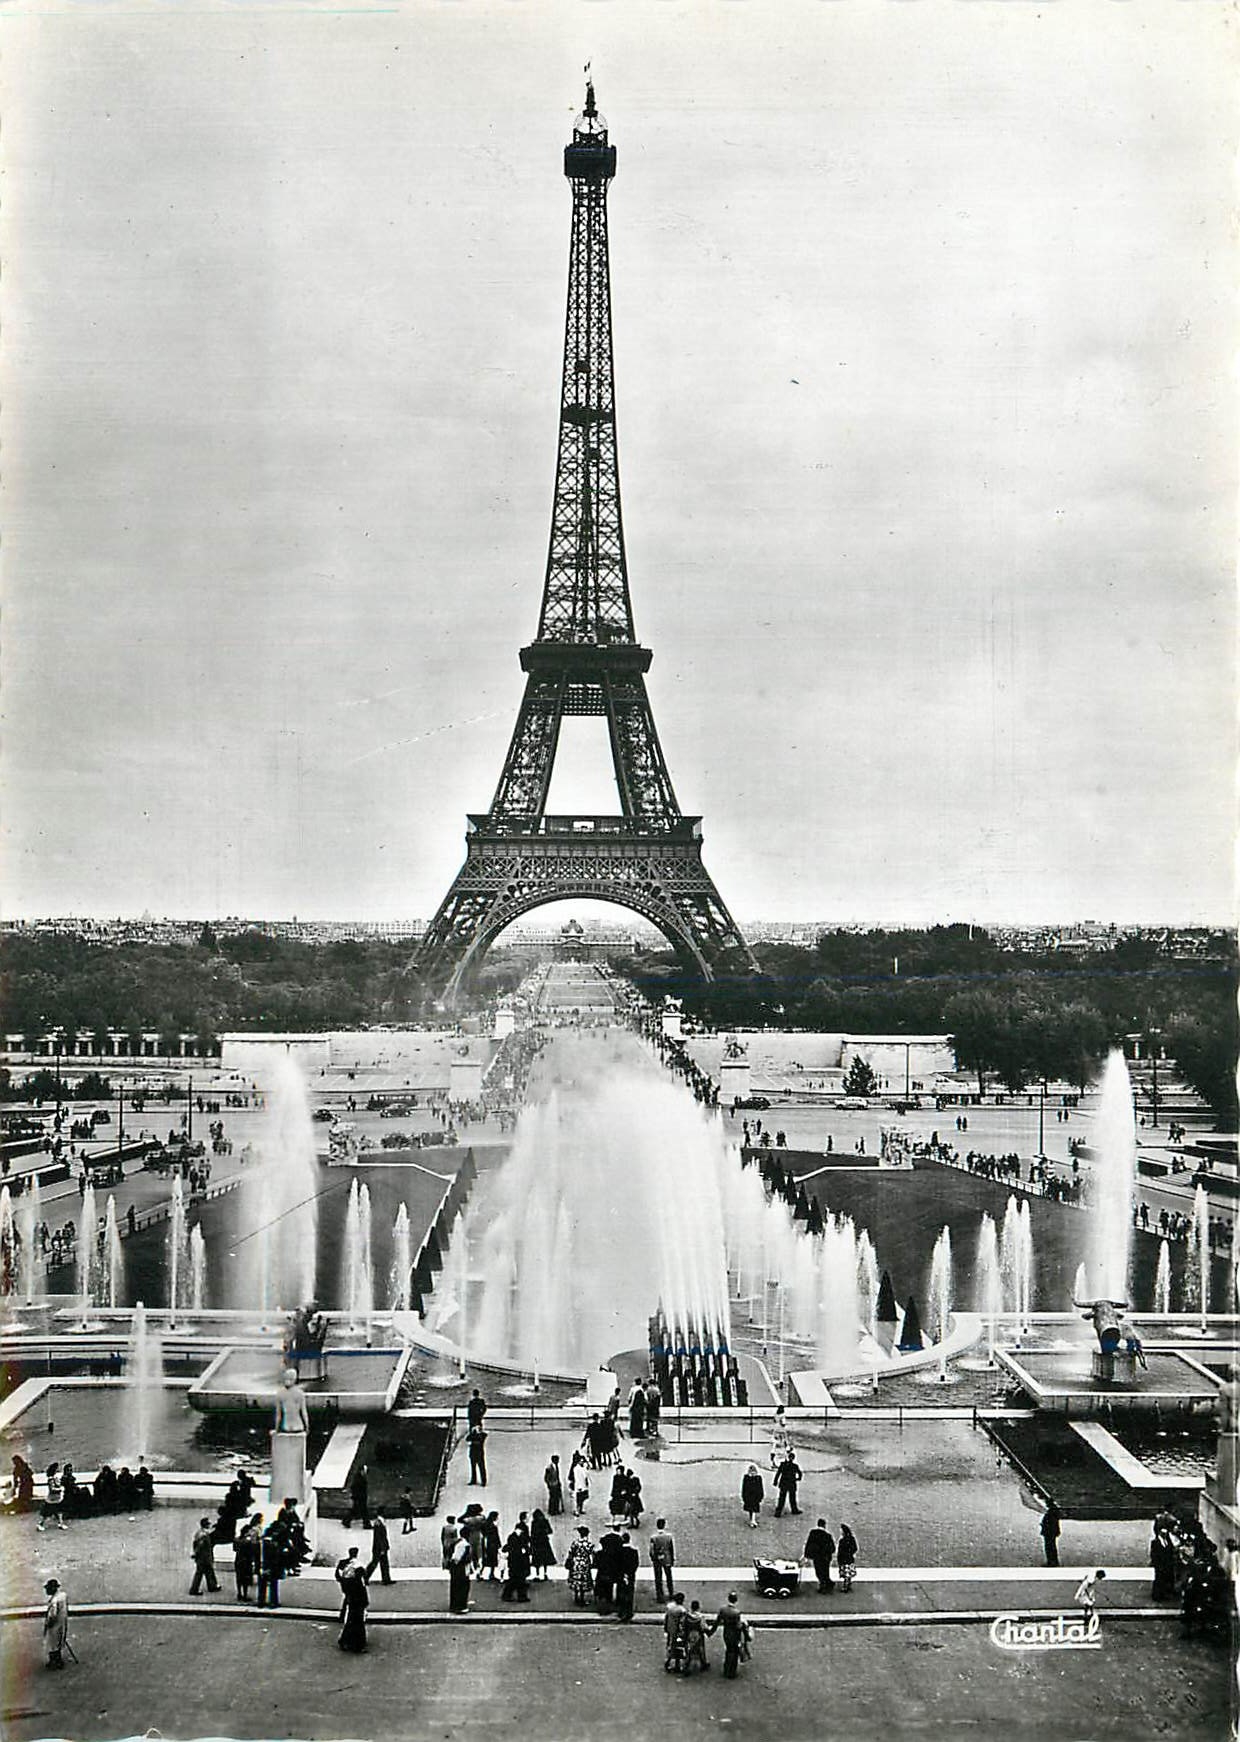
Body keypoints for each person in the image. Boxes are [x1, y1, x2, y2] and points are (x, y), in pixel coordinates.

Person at [710, 1590, 748, 1679]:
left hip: (726, 1633)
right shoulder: (737, 1612)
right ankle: (732, 1671)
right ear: (736, 1600)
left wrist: (711, 1631)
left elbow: (717, 1622)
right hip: (735, 1634)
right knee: (734, 1652)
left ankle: (726, 1668)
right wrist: (744, 1626)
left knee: (728, 1650)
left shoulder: (723, 1609)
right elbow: (738, 1626)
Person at [338, 1557, 370, 1651]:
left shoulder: (350, 1581)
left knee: (351, 1623)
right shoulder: (358, 1583)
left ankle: (345, 1641)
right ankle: (358, 1645)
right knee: (358, 1625)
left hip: (354, 1605)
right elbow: (362, 1595)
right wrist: (365, 1603)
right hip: (358, 1605)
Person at [594, 1523, 623, 1613]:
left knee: (605, 1587)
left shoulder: (601, 1553)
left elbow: (595, 1563)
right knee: (616, 1584)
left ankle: (605, 1604)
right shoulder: (619, 1541)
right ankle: (616, 1601)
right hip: (614, 1568)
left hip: (603, 1571)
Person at [502, 1518, 532, 1603]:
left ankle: (511, 1595)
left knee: (516, 1580)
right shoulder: (512, 1537)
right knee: (517, 1580)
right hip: (515, 1562)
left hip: (519, 1562)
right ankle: (520, 1596)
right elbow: (513, 1549)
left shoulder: (516, 1536)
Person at [42, 1578, 69, 1670]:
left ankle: (54, 1662)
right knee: (59, 1641)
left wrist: (48, 1623)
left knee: (52, 1643)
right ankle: (59, 1660)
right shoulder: (62, 1596)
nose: (46, 1590)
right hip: (62, 1622)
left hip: (54, 1625)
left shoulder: (54, 1601)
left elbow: (52, 1615)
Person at [190, 1515, 221, 1594]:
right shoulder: (203, 1535)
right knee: (200, 1573)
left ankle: (212, 1586)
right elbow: (200, 1546)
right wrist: (195, 1553)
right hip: (204, 1557)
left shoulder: (199, 1533)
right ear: (206, 1525)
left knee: (208, 1571)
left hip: (203, 1557)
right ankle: (194, 1589)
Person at [565, 1525, 594, 1607]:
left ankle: (576, 1597)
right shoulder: (588, 1544)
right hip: (584, 1563)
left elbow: (571, 1552)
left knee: (576, 1580)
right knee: (583, 1581)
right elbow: (591, 1553)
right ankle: (582, 1599)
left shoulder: (575, 1542)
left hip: (576, 1562)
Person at [803, 1518, 835, 1593]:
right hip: (826, 1557)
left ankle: (823, 1585)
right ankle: (827, 1583)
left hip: (817, 1557)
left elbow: (809, 1544)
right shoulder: (828, 1536)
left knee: (819, 1572)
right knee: (825, 1571)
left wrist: (807, 1555)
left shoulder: (813, 1533)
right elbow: (832, 1548)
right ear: (824, 1526)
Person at [234, 1515, 260, 1601]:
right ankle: (245, 1595)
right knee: (245, 1579)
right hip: (246, 1561)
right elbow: (252, 1551)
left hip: (238, 1560)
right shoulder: (248, 1542)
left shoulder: (237, 1539)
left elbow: (234, 1549)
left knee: (239, 1578)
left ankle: (239, 1593)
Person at [616, 1530, 641, 1621]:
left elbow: (616, 1564)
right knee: (630, 1593)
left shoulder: (618, 1552)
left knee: (621, 1592)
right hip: (630, 1575)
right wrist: (631, 1572)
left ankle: (621, 1611)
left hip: (621, 1575)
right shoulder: (633, 1552)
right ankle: (629, 1611)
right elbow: (636, 1564)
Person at [649, 1517, 676, 1602]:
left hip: (657, 1559)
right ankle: (671, 1593)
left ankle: (660, 1596)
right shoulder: (669, 1536)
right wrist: (672, 1559)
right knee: (669, 1576)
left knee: (658, 1578)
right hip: (667, 1558)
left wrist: (653, 1558)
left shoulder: (654, 1537)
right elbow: (671, 1549)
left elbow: (651, 1550)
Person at [257, 1522, 282, 1609]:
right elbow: (274, 1557)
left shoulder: (261, 1542)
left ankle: (261, 1602)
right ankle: (273, 1602)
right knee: (273, 1585)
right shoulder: (273, 1544)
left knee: (262, 1585)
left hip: (262, 1565)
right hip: (270, 1567)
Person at [663, 1591, 688, 1672]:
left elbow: (666, 1618)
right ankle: (675, 1663)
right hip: (677, 1632)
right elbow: (682, 1622)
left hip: (670, 1630)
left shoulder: (669, 1607)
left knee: (671, 1646)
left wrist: (666, 1628)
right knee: (678, 1647)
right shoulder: (682, 1610)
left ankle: (669, 1661)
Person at [448, 1531, 473, 1613]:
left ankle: (455, 1605)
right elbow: (457, 1558)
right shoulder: (464, 1545)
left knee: (456, 1588)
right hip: (461, 1570)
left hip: (458, 1569)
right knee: (462, 1588)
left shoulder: (460, 1543)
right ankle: (460, 1606)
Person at [38, 1463, 67, 1533]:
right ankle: (40, 1524)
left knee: (59, 1511)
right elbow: (52, 1489)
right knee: (46, 1513)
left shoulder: (55, 1478)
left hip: (57, 1498)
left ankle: (61, 1523)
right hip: (52, 1499)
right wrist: (60, 1489)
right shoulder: (51, 1479)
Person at [683, 1599, 710, 1673]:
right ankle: (703, 1663)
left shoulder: (687, 1615)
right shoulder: (700, 1617)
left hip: (689, 1634)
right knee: (700, 1649)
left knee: (689, 1650)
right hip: (698, 1635)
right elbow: (704, 1627)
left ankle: (686, 1665)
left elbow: (684, 1625)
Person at [774, 1449, 803, 1517]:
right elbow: (800, 1473)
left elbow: (778, 1473)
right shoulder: (795, 1466)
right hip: (791, 1484)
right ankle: (794, 1510)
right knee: (792, 1498)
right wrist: (798, 1479)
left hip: (783, 1483)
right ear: (793, 1459)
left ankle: (778, 1512)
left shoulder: (783, 1465)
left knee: (781, 1498)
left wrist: (775, 1481)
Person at [529, 1508, 556, 1580]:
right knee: (545, 1558)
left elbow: (532, 1533)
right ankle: (545, 1573)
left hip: (536, 1543)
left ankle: (537, 1575)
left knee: (537, 1559)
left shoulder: (533, 1522)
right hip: (544, 1542)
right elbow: (550, 1531)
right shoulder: (545, 1521)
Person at [367, 1512, 392, 1585]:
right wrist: (382, 1548)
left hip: (380, 1547)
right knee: (375, 1563)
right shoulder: (379, 1523)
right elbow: (379, 1538)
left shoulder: (379, 1522)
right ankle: (366, 1577)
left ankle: (386, 1579)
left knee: (384, 1563)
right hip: (379, 1548)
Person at [344, 1463, 370, 1531]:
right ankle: (366, 1524)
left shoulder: (359, 1477)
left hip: (360, 1497)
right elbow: (355, 1488)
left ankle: (346, 1521)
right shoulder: (359, 1479)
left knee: (356, 1511)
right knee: (362, 1511)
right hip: (360, 1498)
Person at [741, 1463, 764, 1529]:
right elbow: (744, 1487)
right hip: (749, 1496)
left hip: (754, 1496)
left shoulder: (755, 1478)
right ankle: (752, 1520)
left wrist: (760, 1496)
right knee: (751, 1509)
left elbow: (760, 1487)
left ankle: (752, 1520)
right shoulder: (750, 1478)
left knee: (753, 1509)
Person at [1040, 1501, 1062, 1568]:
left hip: (1049, 1533)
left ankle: (1052, 1562)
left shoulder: (1050, 1513)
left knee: (1049, 1547)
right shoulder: (1053, 1512)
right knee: (1051, 1547)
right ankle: (1053, 1561)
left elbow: (1048, 1523)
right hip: (1051, 1533)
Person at [837, 1522, 858, 1590]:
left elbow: (840, 1551)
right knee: (848, 1572)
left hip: (843, 1559)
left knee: (845, 1572)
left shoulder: (842, 1540)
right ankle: (848, 1583)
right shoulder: (852, 1539)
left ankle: (846, 1586)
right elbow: (855, 1548)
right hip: (849, 1558)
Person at [482, 1511, 502, 1581]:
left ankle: (482, 1573)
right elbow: (496, 1536)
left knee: (488, 1559)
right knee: (493, 1559)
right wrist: (499, 1544)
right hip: (493, 1544)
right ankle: (491, 1574)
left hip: (489, 1543)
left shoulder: (486, 1524)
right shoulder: (492, 1526)